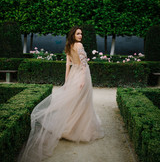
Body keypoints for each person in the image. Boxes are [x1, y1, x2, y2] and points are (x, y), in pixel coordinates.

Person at [18, 25, 104, 162]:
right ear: (73, 35)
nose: (80, 36)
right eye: (78, 34)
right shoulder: (79, 45)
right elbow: (83, 64)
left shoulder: (68, 45)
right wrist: (81, 80)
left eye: (81, 34)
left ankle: (70, 128)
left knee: (75, 100)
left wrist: (67, 81)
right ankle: (75, 130)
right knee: (82, 101)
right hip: (82, 75)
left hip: (75, 74)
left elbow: (68, 65)